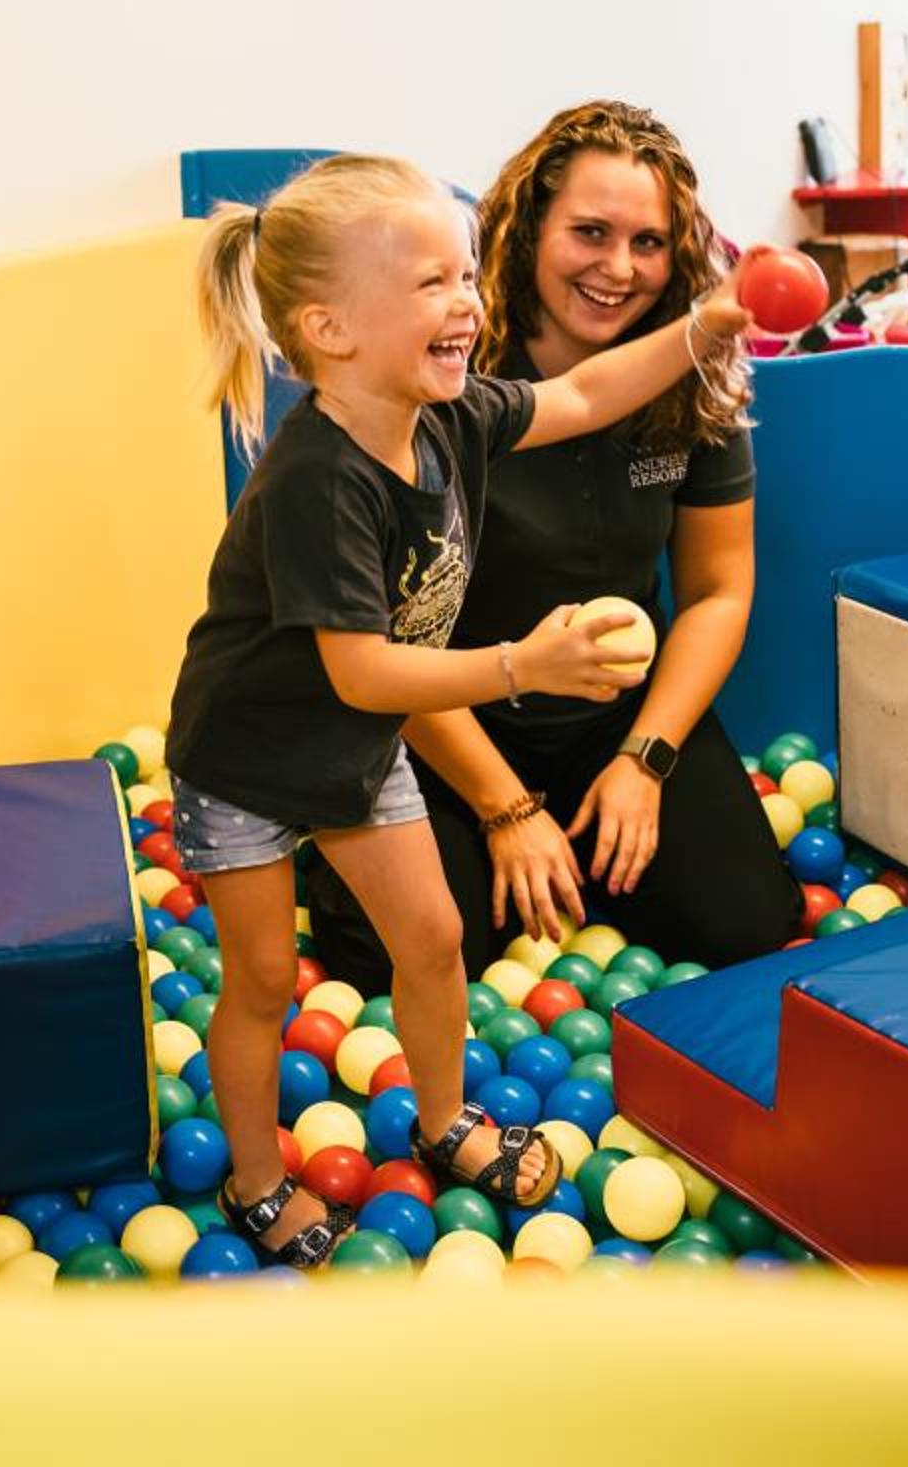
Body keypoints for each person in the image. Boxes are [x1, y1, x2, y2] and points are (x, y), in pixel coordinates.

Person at [168, 154, 750, 1265]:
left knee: (433, 940)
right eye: (431, 283)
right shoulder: (319, 479)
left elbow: (583, 396)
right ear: (331, 330)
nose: (468, 303)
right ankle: (254, 1179)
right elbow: (364, 674)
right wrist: (524, 664)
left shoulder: (448, 416)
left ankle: (441, 1120)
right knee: (260, 980)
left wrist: (703, 328)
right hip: (246, 760)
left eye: (465, 275)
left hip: (352, 750)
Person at [306, 101, 801, 993]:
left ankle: (583, 860)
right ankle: (350, 835)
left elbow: (719, 591)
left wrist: (645, 760)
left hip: (608, 717)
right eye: (590, 233)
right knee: (405, 960)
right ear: (531, 228)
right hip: (440, 717)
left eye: (649, 243)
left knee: (747, 927)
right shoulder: (444, 372)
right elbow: (379, 645)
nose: (620, 268)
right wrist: (506, 810)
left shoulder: (688, 376)